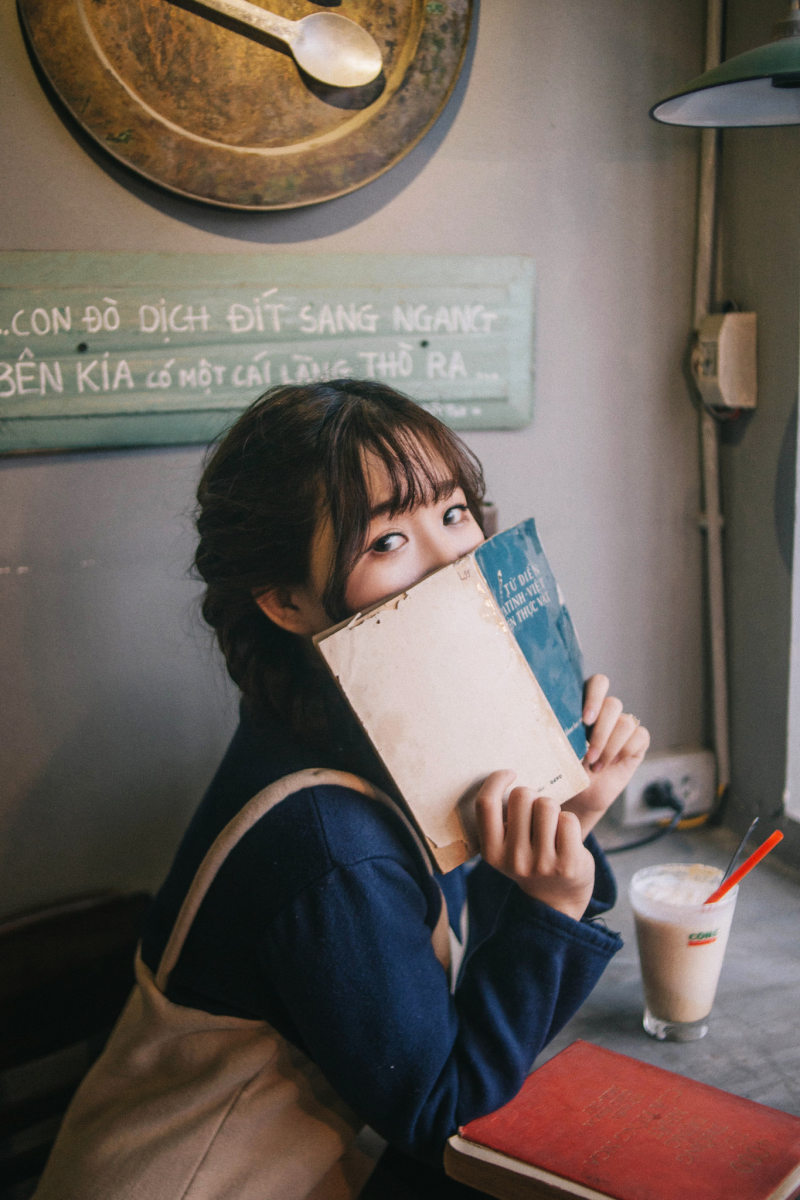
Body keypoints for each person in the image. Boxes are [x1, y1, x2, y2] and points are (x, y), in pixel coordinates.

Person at [36, 379, 649, 1200]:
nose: (453, 562)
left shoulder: (380, 740)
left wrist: (568, 817)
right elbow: (442, 1109)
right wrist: (548, 903)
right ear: (287, 601)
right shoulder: (327, 838)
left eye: (455, 513)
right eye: (387, 541)